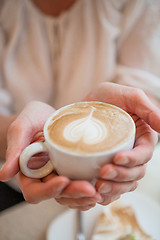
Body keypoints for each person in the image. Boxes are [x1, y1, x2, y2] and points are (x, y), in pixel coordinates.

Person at [0, 0, 160, 211]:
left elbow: (146, 81)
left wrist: (138, 110)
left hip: (107, 178)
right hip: (15, 183)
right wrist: (15, 139)